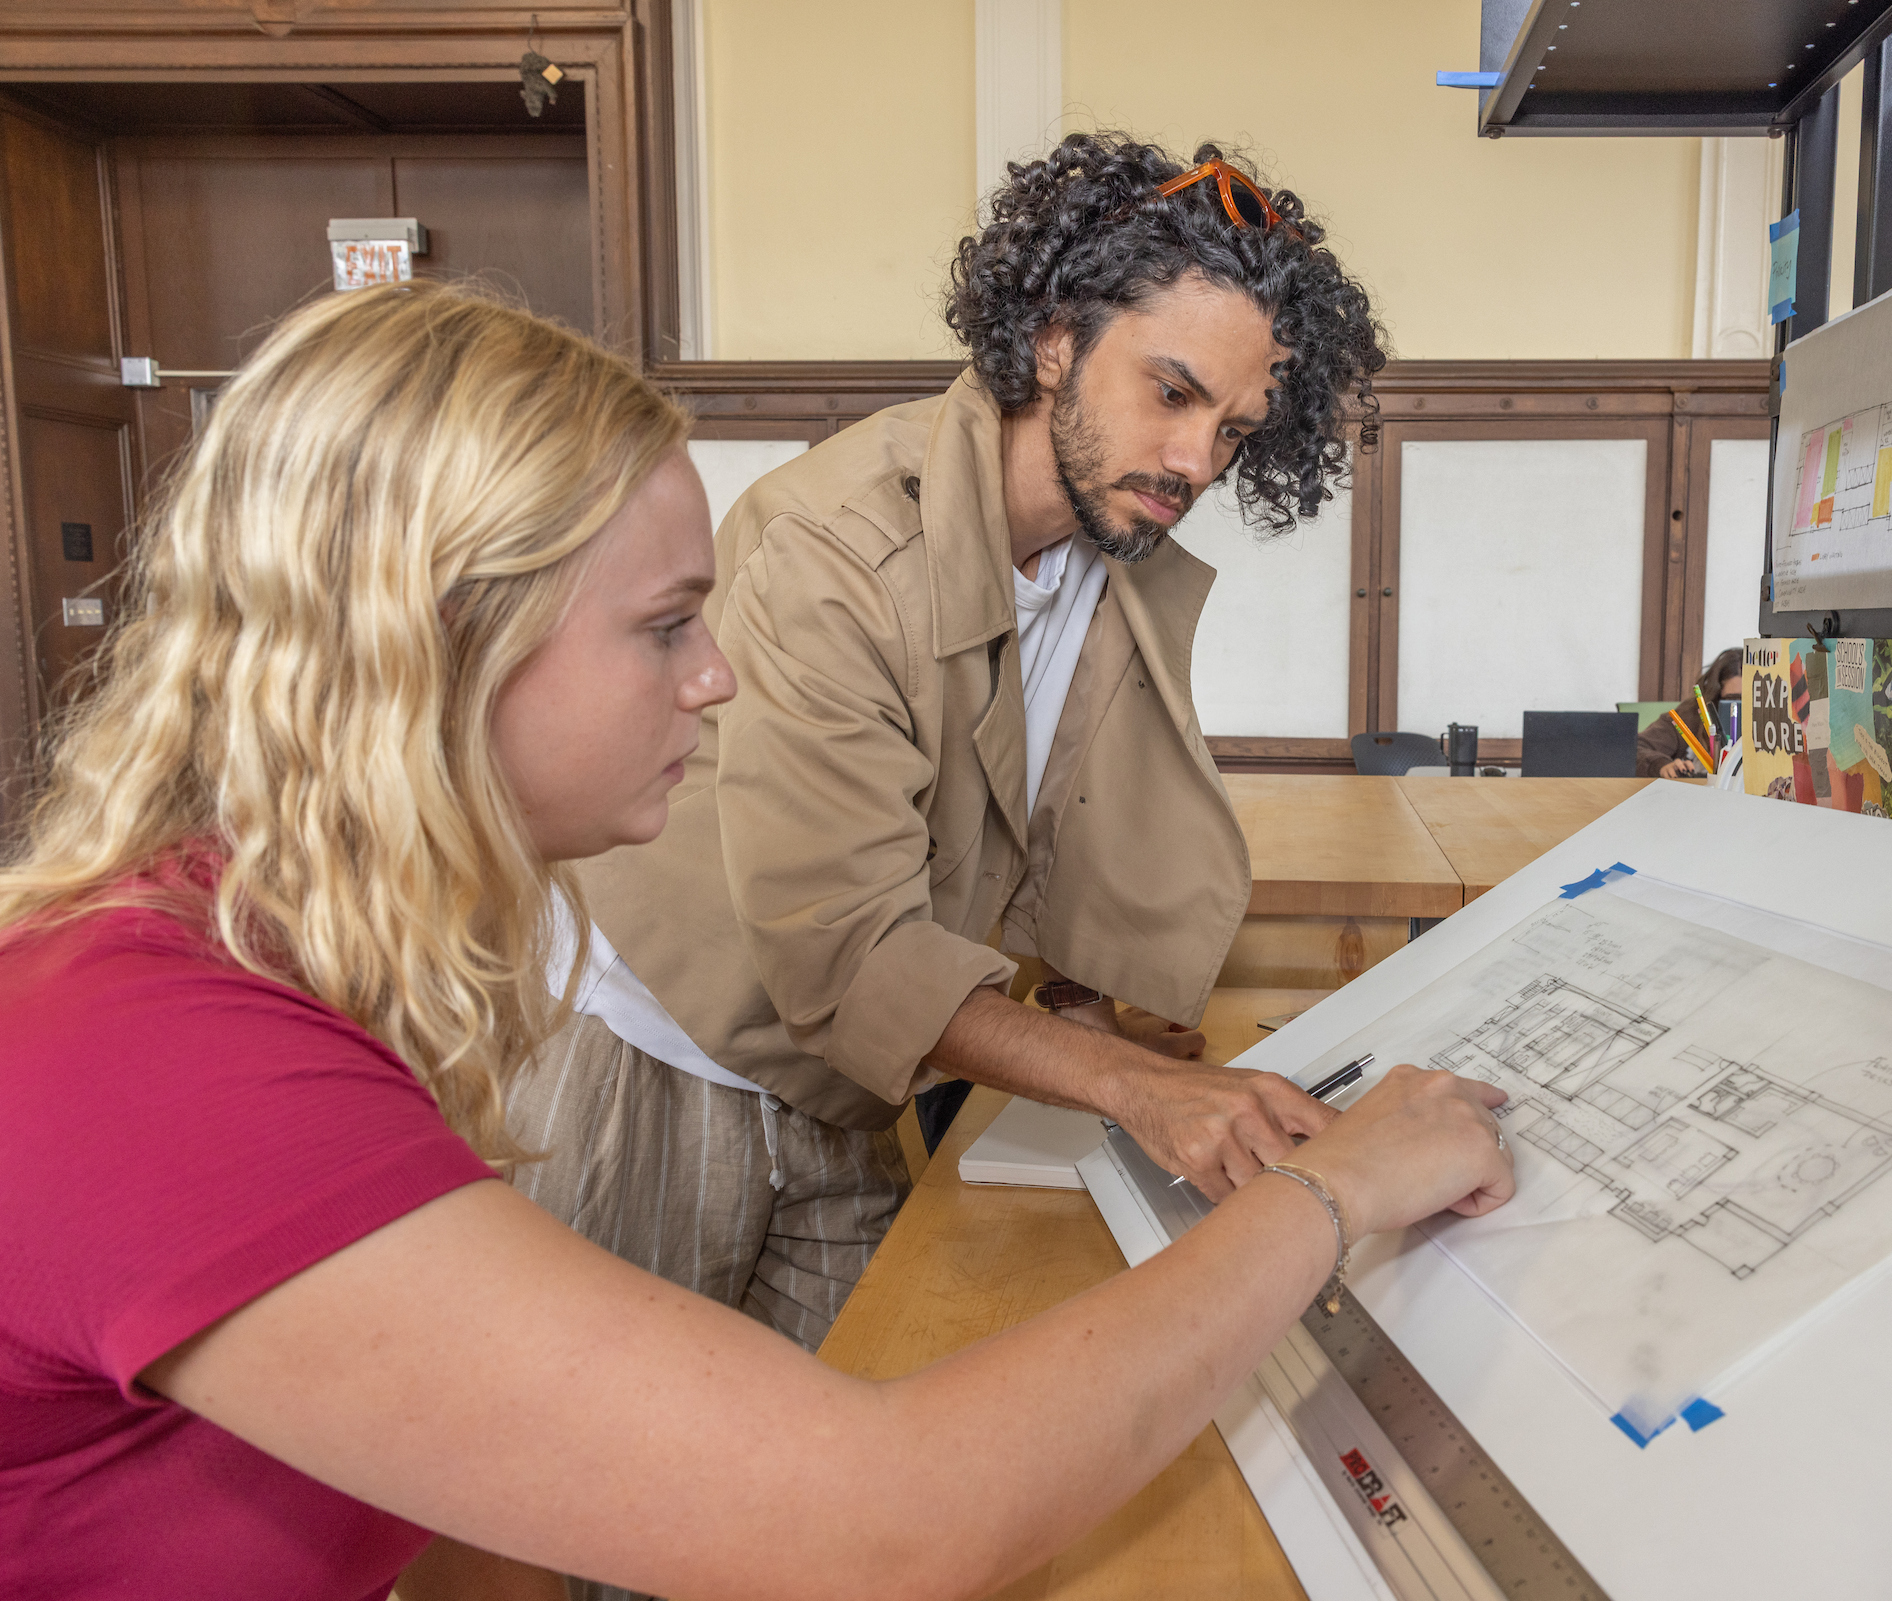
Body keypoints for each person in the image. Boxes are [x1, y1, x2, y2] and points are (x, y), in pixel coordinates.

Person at [0, 283, 1514, 1601]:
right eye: (667, 624)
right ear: (444, 635)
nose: (716, 678)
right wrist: (1331, 1192)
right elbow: (893, 1513)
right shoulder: (160, 1060)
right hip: (718, 1046)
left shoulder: (295, 970)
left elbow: (461, 1491)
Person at [506, 131, 1390, 1356]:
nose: (1197, 461)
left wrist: (1081, 1000)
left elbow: (1031, 817)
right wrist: (1139, 1087)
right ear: (1056, 339)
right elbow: (847, 947)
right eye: (1172, 393)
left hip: (858, 1083)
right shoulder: (839, 550)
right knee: (611, 1461)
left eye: (1235, 429)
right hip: (665, 1055)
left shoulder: (1110, 549)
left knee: (840, 1448)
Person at [1636, 645, 1745, 777]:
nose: (1743, 707)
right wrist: (1662, 765)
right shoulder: (1691, 715)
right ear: (1716, 694)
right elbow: (1637, 748)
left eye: (1751, 699)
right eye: (1733, 699)